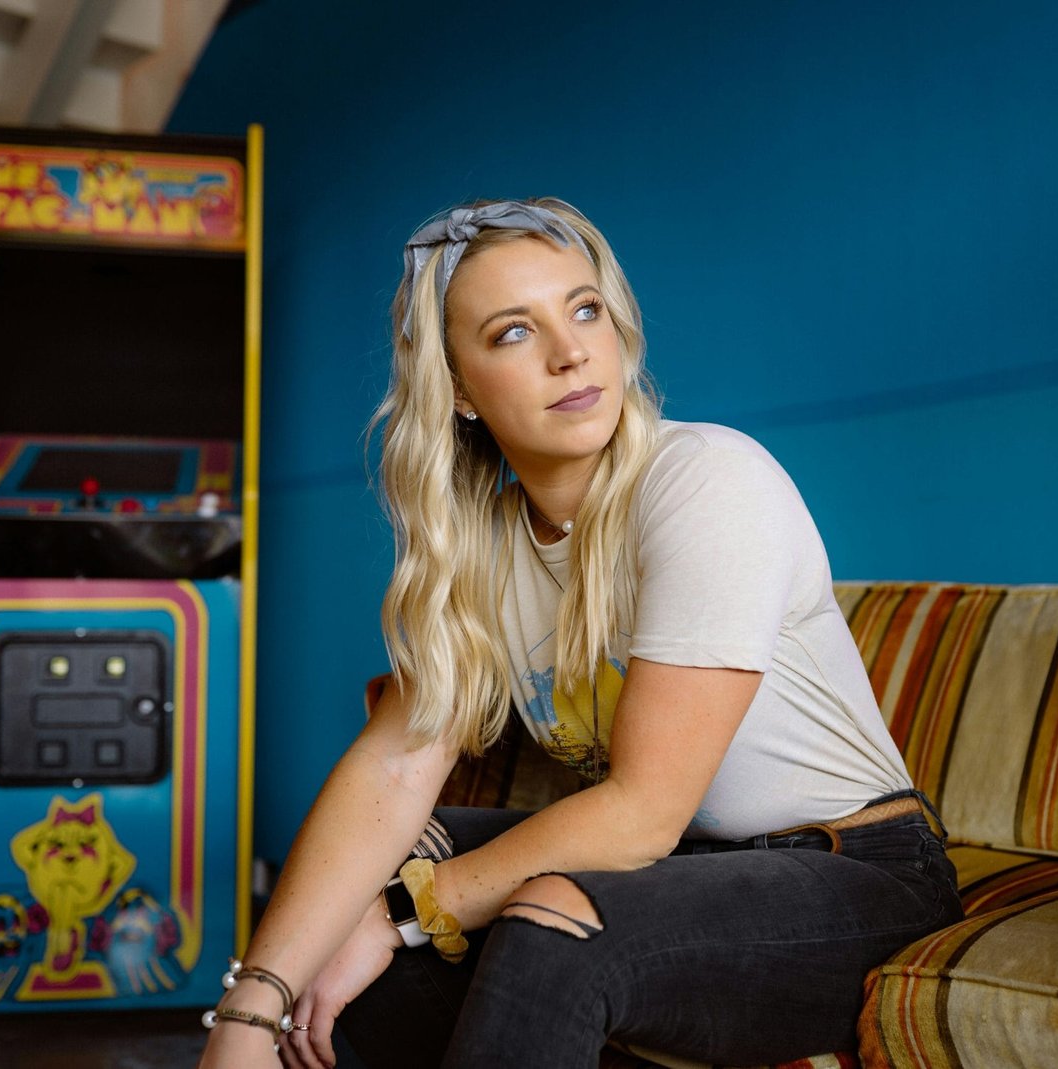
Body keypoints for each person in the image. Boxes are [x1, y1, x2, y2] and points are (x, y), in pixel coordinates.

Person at [196, 198, 962, 1069]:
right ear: (458, 389)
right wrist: (252, 1006)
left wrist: (402, 916)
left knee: (551, 917)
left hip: (858, 874)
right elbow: (395, 766)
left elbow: (642, 814)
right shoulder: (478, 547)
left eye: (584, 308)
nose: (572, 352)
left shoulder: (708, 482)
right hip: (683, 874)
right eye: (514, 333)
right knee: (374, 871)